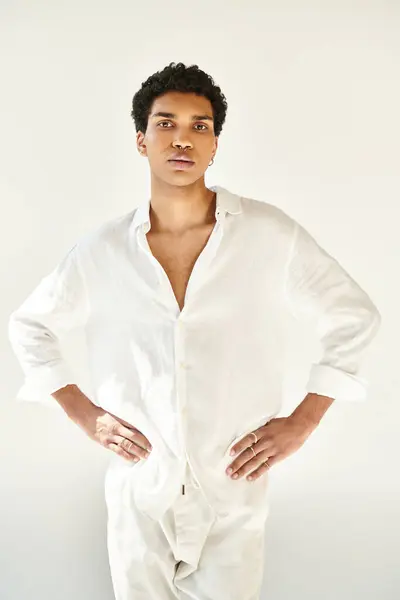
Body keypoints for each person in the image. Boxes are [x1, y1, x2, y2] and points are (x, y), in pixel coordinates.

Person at [8, 62, 381, 600]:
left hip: (234, 483)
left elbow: (354, 316)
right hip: (140, 488)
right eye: (166, 124)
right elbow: (31, 326)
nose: (182, 138)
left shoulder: (267, 233)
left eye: (199, 126)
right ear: (141, 140)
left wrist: (304, 420)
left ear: (214, 145)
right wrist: (85, 414)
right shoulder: (103, 250)